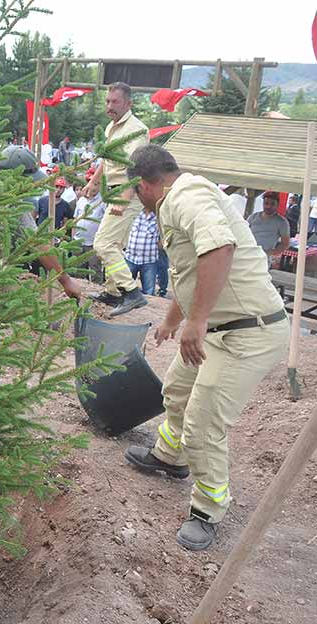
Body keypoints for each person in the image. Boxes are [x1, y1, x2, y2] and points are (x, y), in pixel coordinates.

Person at [122, 145, 289, 551]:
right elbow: (191, 272)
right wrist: (172, 322)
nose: (134, 200)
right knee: (176, 389)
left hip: (247, 333)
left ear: (146, 185)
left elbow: (218, 250)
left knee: (204, 423)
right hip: (220, 329)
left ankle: (208, 508)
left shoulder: (186, 196)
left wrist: (196, 323)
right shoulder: (176, 199)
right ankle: (170, 456)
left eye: (134, 192)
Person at [82, 82, 149, 317]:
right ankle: (113, 292)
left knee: (103, 243)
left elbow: (135, 167)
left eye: (115, 102)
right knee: (115, 244)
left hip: (126, 192)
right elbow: (107, 159)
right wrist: (93, 182)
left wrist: (123, 200)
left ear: (128, 104)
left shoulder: (137, 130)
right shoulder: (112, 127)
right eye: (107, 101)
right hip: (114, 190)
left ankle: (132, 292)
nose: (109, 106)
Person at [0, 145, 83, 300]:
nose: (32, 188)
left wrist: (65, 280)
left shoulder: (14, 205)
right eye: (29, 183)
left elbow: (37, 243)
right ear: (14, 179)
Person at [71, 169, 105, 284]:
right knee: (79, 271)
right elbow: (75, 219)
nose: (93, 187)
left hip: (93, 244)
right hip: (79, 241)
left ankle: (97, 294)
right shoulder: (81, 200)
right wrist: (73, 238)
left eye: (96, 184)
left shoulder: (102, 202)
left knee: (95, 270)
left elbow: (105, 222)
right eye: (90, 183)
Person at [123, 207, 160, 295]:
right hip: (130, 258)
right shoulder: (134, 212)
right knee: (125, 290)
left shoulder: (159, 216)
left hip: (149, 261)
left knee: (149, 293)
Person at [246, 191, 290, 257]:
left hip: (264, 258)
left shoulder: (282, 222)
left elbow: (285, 244)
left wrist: (271, 252)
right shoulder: (252, 217)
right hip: (248, 253)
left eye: (272, 204)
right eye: (266, 203)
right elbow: (243, 233)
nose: (268, 206)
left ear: (277, 205)